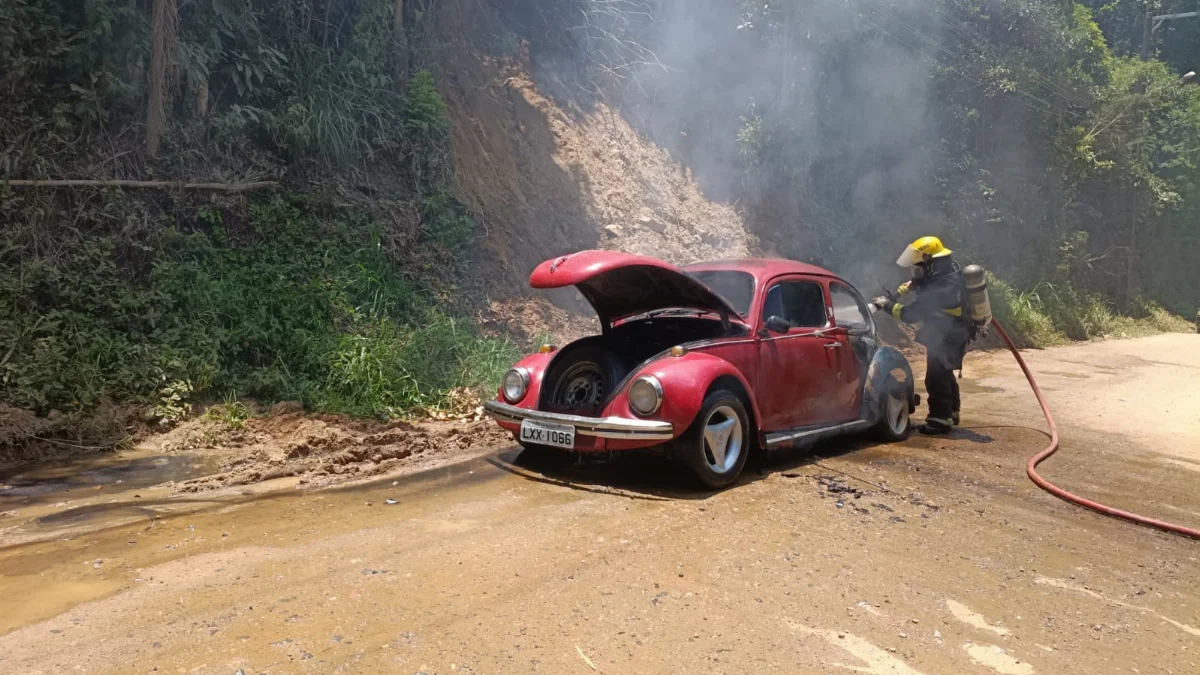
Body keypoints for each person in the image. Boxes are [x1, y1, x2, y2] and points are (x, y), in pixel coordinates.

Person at [872, 236, 972, 435]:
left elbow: (909, 314)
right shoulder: (946, 275)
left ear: (932, 264)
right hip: (950, 332)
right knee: (945, 372)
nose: (917, 272)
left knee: (935, 377)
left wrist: (887, 305)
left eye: (920, 267)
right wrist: (904, 290)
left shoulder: (942, 289)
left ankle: (939, 421)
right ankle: (951, 413)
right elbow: (917, 285)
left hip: (948, 335)